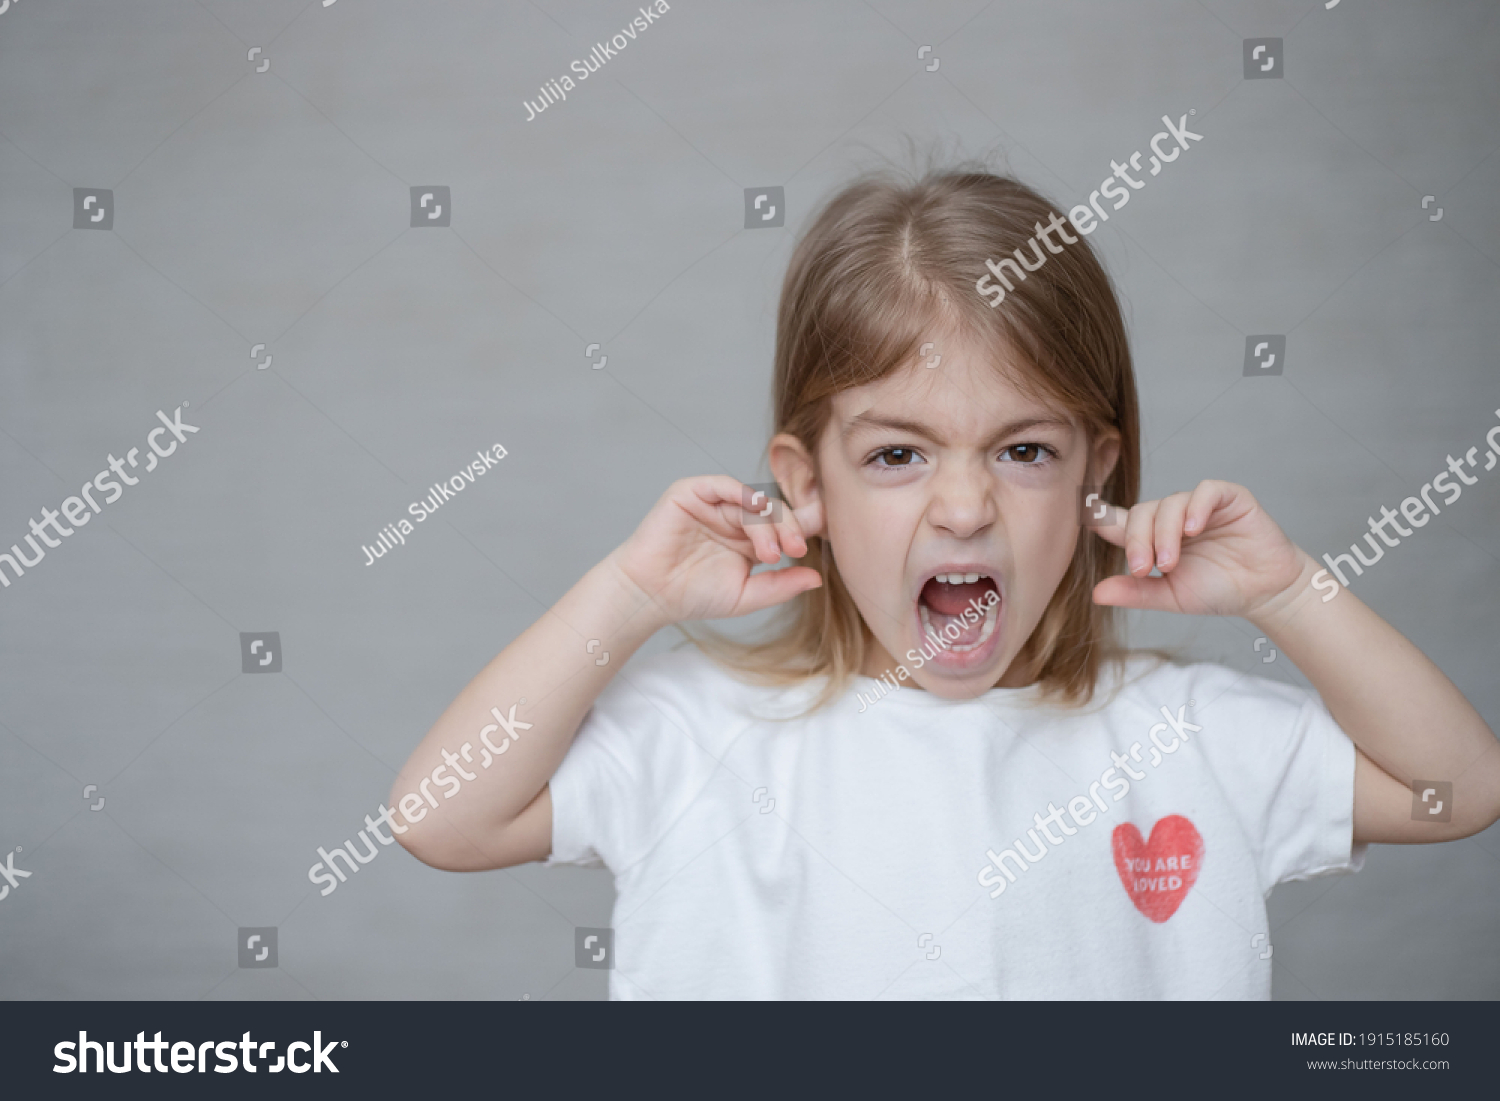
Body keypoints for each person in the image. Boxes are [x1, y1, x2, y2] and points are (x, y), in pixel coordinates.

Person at [390, 166, 1500, 999]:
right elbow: (442, 818)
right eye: (896, 455)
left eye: (1024, 453)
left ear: (1095, 476)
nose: (965, 509)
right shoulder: (697, 733)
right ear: (803, 482)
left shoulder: (1182, 737)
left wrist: (1287, 591)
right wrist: (630, 595)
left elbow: (1460, 789)